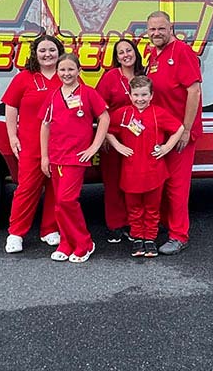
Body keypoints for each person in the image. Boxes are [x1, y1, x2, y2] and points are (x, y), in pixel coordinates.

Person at [40, 53, 110, 263]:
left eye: (71, 69)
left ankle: (84, 242)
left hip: (76, 157)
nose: (66, 73)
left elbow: (104, 117)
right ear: (57, 72)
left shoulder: (88, 93)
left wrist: (94, 146)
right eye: (62, 70)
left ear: (79, 71)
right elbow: (45, 125)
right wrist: (45, 157)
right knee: (59, 204)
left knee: (67, 200)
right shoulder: (53, 96)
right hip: (56, 156)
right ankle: (66, 242)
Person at [145, 11, 203, 255]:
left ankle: (179, 235)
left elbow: (194, 91)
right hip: (161, 132)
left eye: (161, 28)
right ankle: (167, 226)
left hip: (179, 132)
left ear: (171, 28)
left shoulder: (182, 52)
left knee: (177, 186)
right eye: (152, 30)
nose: (156, 33)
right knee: (162, 181)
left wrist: (186, 130)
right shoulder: (153, 54)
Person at [107, 76, 184, 257]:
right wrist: (118, 146)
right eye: (136, 95)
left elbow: (179, 128)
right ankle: (137, 238)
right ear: (130, 95)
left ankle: (150, 238)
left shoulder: (159, 113)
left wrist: (166, 148)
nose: (140, 99)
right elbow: (107, 129)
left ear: (151, 95)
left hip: (154, 171)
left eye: (144, 95)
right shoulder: (123, 113)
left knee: (152, 208)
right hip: (131, 171)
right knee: (133, 208)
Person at [2, 34, 65, 254]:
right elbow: (11, 106)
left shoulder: (66, 75)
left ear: (59, 52)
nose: (48, 54)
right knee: (27, 189)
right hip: (31, 145)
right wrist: (12, 136)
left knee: (56, 190)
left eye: (52, 50)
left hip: (60, 146)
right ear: (35, 54)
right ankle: (16, 233)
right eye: (43, 51)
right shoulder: (24, 78)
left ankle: (49, 229)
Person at [95, 38, 145, 243]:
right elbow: (98, 107)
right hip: (113, 138)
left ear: (135, 53)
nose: (126, 55)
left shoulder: (144, 76)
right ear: (116, 58)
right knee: (113, 182)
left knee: (135, 182)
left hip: (138, 139)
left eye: (129, 50)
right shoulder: (110, 77)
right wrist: (103, 134)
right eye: (121, 52)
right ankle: (115, 225)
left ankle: (135, 224)